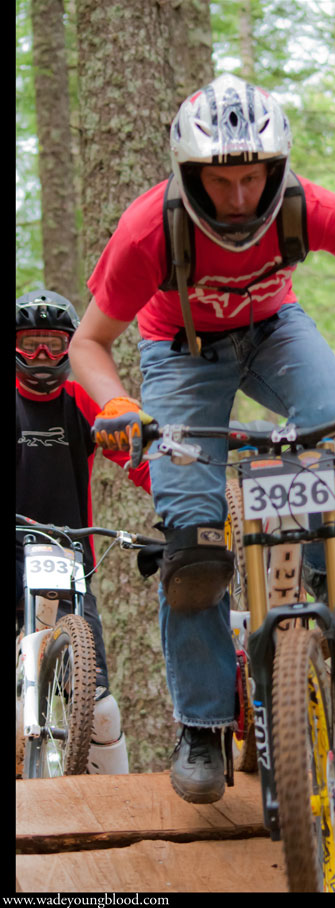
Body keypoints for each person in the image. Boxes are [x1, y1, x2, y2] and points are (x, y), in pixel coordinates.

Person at [68, 73, 335, 805]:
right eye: (220, 182)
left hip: (276, 332)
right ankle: (202, 724)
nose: (237, 199)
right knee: (192, 548)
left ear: (275, 171)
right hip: (181, 352)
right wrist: (118, 401)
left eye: (252, 178)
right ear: (190, 175)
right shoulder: (147, 230)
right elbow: (88, 344)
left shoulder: (304, 208)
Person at [16, 290, 151, 775]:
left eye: (53, 345)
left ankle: (115, 810)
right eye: (31, 345)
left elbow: (135, 458)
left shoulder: (80, 400)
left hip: (66, 561)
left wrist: (178, 502)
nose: (43, 357)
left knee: (99, 706)